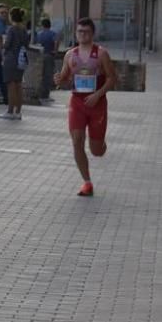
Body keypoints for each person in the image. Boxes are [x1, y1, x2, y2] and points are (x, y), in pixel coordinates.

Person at [53, 18, 119, 197]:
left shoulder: (102, 54)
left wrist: (97, 94)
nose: (83, 35)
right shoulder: (70, 55)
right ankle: (87, 182)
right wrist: (60, 80)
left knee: (96, 151)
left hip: (97, 104)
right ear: (76, 33)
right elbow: (66, 79)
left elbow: (112, 79)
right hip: (77, 103)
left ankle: (101, 144)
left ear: (92, 33)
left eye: (86, 32)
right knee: (76, 140)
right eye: (80, 31)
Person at [0, 7, 29, 120]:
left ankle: (10, 111)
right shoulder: (24, 29)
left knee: (11, 86)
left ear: (12, 16)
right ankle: (18, 111)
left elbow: (7, 45)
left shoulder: (12, 29)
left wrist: (2, 44)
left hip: (11, 59)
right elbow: (27, 44)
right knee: (18, 85)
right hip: (21, 60)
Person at [35, 18, 59, 102]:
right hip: (49, 55)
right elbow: (56, 42)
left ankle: (40, 94)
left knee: (40, 75)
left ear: (42, 25)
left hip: (40, 56)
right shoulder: (53, 33)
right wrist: (55, 51)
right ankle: (45, 95)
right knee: (48, 75)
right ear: (50, 25)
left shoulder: (39, 34)